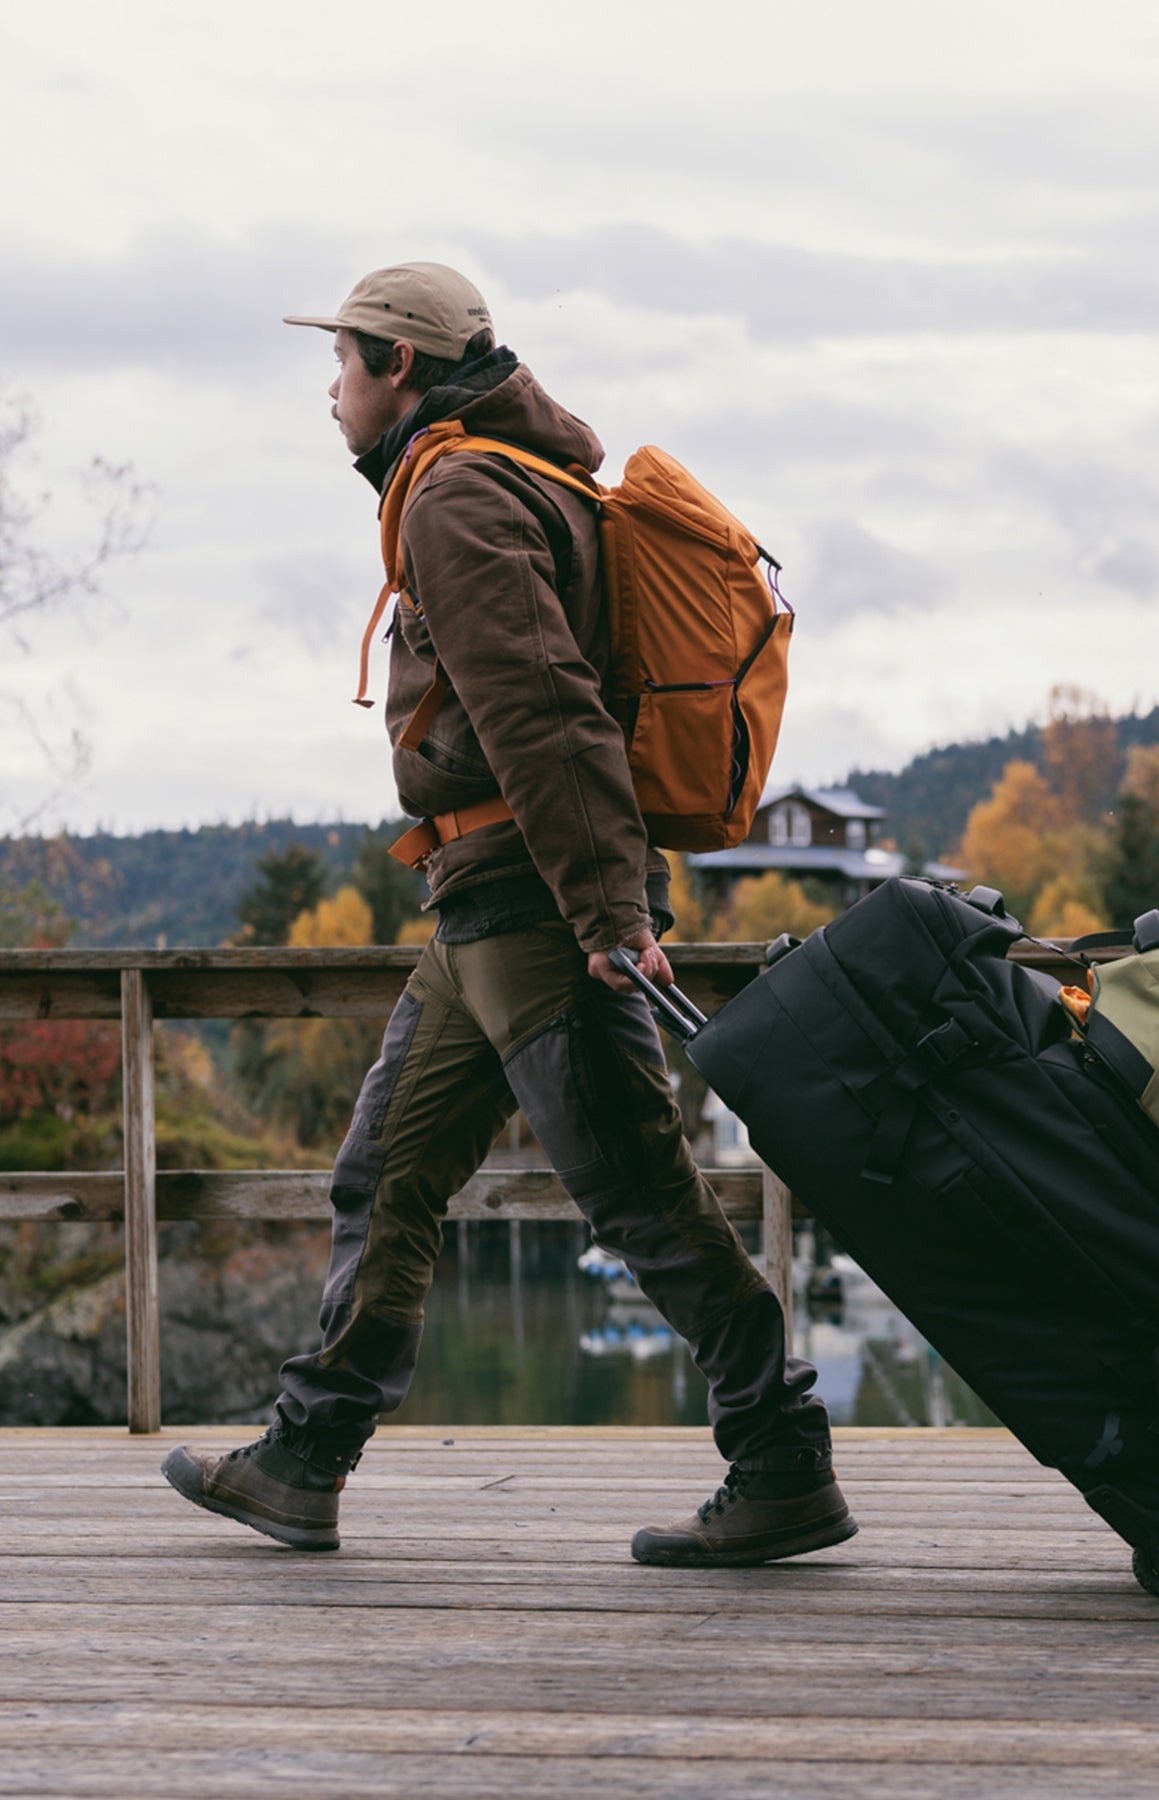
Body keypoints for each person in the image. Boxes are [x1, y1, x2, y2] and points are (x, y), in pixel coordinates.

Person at [161, 261, 850, 1567]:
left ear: (401, 367)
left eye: (346, 364)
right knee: (386, 1169)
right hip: (485, 904)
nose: (330, 390)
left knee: (639, 1194)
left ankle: (781, 1459)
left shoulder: (464, 493)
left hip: (539, 906)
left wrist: (603, 911)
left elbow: (542, 709)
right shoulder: (501, 478)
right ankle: (305, 1460)